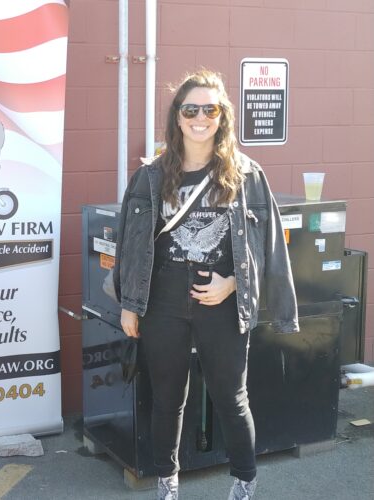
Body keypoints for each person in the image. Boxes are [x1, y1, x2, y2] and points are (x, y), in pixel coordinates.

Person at [113, 69, 298, 500]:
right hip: (163, 301)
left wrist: (233, 284)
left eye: (210, 109)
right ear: (177, 117)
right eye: (191, 109)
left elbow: (268, 245)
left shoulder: (247, 175)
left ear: (222, 117)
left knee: (232, 398)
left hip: (221, 301)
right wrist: (129, 304)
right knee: (167, 399)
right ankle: (167, 482)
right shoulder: (150, 177)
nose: (200, 117)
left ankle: (244, 482)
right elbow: (130, 244)